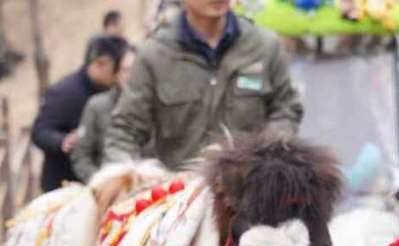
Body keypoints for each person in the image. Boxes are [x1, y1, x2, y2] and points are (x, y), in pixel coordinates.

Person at [104, 0, 303, 170]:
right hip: (181, 198)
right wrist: (131, 178)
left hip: (250, 194)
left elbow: (286, 109)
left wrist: (263, 157)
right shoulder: (155, 55)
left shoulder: (264, 45)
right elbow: (125, 129)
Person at [31, 34, 129, 192]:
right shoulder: (64, 94)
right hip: (65, 184)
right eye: (116, 68)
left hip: (106, 183)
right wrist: (62, 141)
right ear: (100, 63)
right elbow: (39, 131)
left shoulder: (116, 92)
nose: (119, 74)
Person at [71, 47, 137, 182]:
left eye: (136, 69)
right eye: (125, 70)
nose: (131, 76)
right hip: (110, 187)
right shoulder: (96, 106)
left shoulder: (157, 105)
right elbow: (81, 155)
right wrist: (99, 181)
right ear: (116, 74)